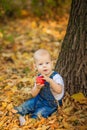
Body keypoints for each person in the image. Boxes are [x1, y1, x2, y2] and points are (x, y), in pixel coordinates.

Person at [12, 49, 64, 126]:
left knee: (39, 113)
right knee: (27, 105)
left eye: (47, 63)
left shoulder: (56, 77)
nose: (44, 66)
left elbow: (59, 90)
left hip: (51, 104)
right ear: (35, 66)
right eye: (40, 64)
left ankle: (30, 122)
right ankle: (20, 114)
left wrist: (50, 81)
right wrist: (38, 88)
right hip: (39, 99)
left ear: (52, 63)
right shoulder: (39, 77)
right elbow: (33, 94)